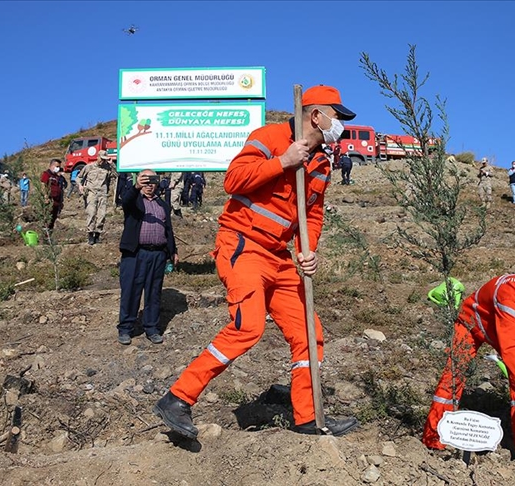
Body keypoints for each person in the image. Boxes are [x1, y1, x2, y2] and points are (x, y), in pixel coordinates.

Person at [153, 85, 359, 439]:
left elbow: (313, 212)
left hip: (280, 257)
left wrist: (309, 250)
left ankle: (308, 417)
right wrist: (283, 162)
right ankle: (177, 398)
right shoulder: (270, 137)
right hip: (242, 246)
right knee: (248, 328)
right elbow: (233, 181)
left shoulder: (323, 161)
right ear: (316, 115)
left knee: (310, 334)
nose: (339, 123)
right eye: (336, 116)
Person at [422, 267, 515, 466]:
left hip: (511, 331)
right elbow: (513, 353)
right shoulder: (511, 295)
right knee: (453, 376)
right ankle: (433, 439)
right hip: (473, 324)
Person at [117, 170, 178, 345]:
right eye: (146, 181)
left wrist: (173, 251)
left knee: (154, 292)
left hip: (158, 254)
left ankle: (152, 328)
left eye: (153, 181)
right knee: (130, 291)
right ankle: (126, 328)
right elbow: (126, 201)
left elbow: (169, 229)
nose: (150, 184)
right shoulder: (134, 199)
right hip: (135, 254)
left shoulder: (162, 204)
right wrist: (136, 187)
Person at [78, 152, 114, 245]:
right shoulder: (89, 167)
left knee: (101, 215)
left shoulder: (107, 167)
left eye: (104, 159)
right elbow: (79, 177)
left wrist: (112, 164)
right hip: (91, 193)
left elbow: (116, 175)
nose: (102, 161)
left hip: (103, 193)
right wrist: (80, 186)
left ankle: (97, 234)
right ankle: (90, 234)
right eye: (101, 158)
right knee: (91, 213)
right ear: (97, 157)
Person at [41, 159, 66, 230]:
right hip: (50, 201)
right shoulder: (47, 174)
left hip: (57, 202)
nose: (58, 168)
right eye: (57, 166)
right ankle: (45, 235)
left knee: (53, 219)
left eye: (59, 167)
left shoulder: (56, 176)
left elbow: (60, 188)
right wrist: (46, 197)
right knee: (47, 220)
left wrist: (61, 202)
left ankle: (50, 234)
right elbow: (43, 185)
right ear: (52, 166)